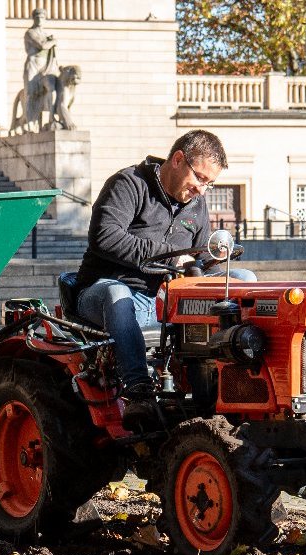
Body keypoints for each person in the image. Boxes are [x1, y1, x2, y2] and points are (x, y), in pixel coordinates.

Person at [75, 129, 252, 430]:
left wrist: (213, 256)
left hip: (168, 297)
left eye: (210, 184)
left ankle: (231, 383)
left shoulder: (197, 205)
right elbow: (105, 237)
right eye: (200, 179)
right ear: (178, 159)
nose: (203, 191)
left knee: (243, 278)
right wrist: (171, 257)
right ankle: (138, 391)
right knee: (117, 295)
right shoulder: (128, 184)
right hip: (107, 290)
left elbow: (197, 260)